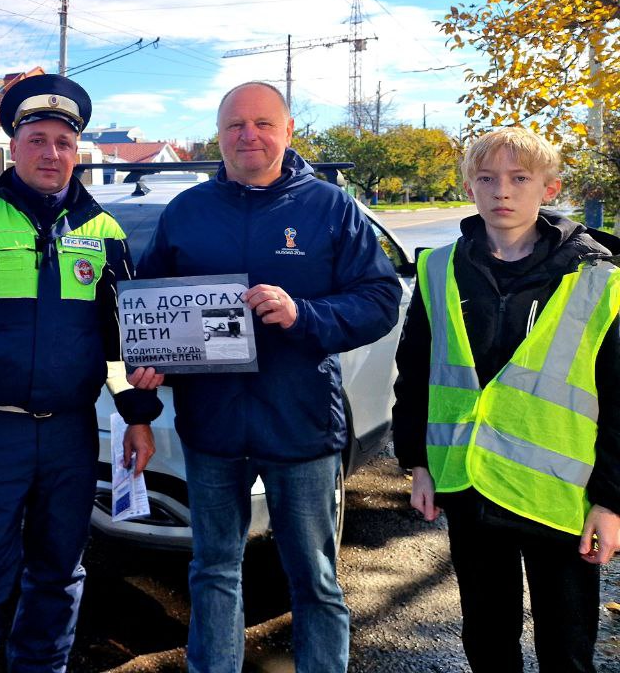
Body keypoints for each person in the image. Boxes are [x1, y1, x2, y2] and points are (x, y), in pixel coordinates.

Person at [0, 73, 163, 673]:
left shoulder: (105, 233)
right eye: (37, 140)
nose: (51, 153)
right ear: (13, 148)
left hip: (72, 433)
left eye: (63, 143)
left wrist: (137, 418)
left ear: (77, 151)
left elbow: (119, 339)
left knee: (59, 574)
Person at [137, 81, 401, 673]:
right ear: (219, 135)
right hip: (212, 428)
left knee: (314, 577)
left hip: (300, 423)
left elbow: (381, 299)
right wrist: (148, 359)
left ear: (286, 131)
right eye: (234, 125)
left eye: (262, 123)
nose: (247, 135)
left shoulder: (329, 208)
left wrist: (304, 314)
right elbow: (149, 305)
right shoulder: (187, 211)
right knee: (212, 571)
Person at [393, 126, 620, 673]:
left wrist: (611, 502)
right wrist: (418, 465)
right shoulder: (439, 269)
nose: (503, 191)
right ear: (470, 187)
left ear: (549, 188)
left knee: (566, 650)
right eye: (488, 178)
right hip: (470, 489)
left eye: (520, 178)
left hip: (558, 498)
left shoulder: (599, 279)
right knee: (488, 640)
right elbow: (416, 374)